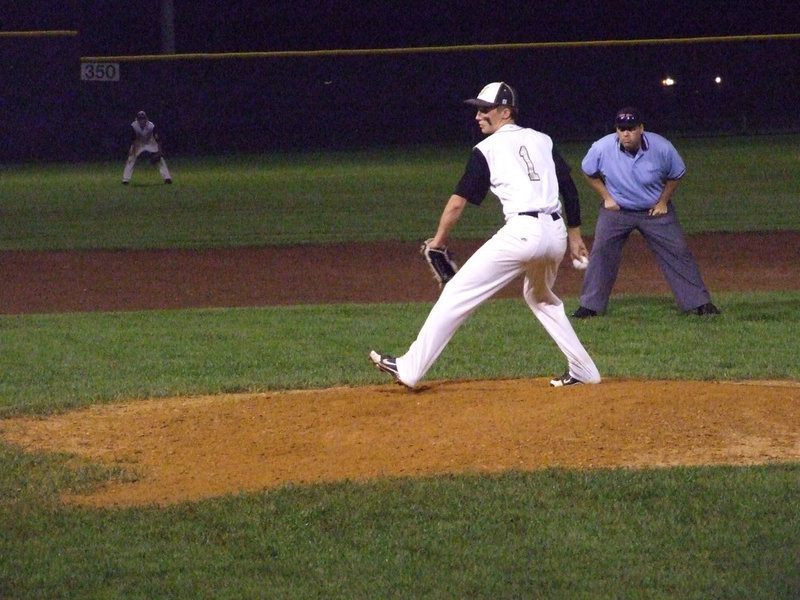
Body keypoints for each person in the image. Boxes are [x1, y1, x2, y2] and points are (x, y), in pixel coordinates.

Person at [370, 82, 601, 389]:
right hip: (554, 233)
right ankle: (584, 370)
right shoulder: (542, 139)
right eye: (477, 109)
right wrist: (574, 236)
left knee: (456, 294)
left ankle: (410, 368)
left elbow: (456, 204)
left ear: (505, 112)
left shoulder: (486, 149)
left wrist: (438, 241)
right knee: (540, 297)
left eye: (484, 109)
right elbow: (568, 189)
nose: (477, 116)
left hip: (522, 233)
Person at [572, 107, 719, 318]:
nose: (626, 133)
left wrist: (663, 201)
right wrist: (607, 197)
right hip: (617, 211)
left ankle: (699, 304)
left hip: (654, 211)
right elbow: (588, 171)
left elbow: (677, 173)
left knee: (678, 251)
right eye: (621, 129)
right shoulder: (602, 148)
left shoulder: (661, 147)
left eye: (631, 128)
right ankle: (590, 307)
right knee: (602, 252)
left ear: (641, 128)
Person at [122, 110, 172, 184]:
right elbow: (133, 140)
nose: (142, 121)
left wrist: (159, 151)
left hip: (150, 143)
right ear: (137, 119)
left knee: (159, 159)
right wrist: (133, 151)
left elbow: (158, 140)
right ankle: (125, 179)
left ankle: (167, 178)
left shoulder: (151, 126)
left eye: (143, 119)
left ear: (146, 119)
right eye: (140, 119)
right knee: (131, 158)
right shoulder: (134, 126)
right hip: (139, 144)